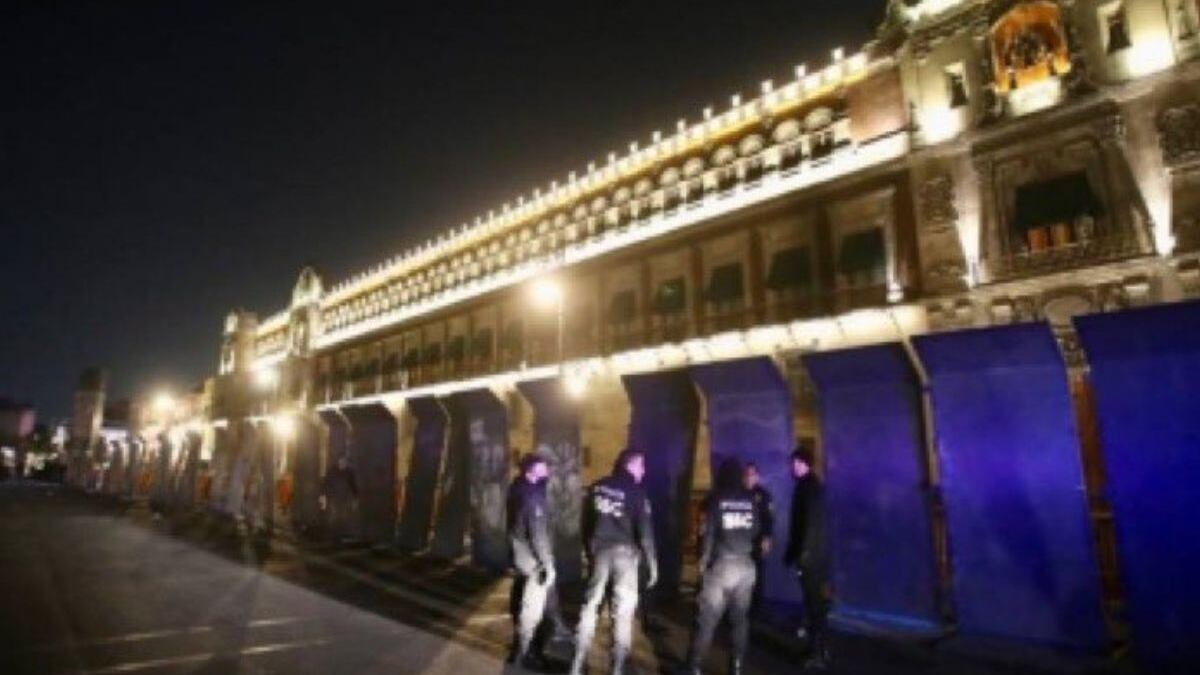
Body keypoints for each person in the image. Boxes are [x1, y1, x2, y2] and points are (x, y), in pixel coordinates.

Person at [570, 449, 658, 675]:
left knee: (590, 607)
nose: (644, 471)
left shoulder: (597, 487)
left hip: (599, 553)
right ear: (631, 465)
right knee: (623, 612)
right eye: (642, 466)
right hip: (625, 557)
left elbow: (584, 523)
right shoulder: (637, 493)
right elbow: (645, 533)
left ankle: (577, 663)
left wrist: (589, 550)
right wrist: (653, 564)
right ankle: (617, 668)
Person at [685, 458, 761, 675]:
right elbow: (756, 531)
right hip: (745, 566)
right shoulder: (751, 499)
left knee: (707, 619)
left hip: (721, 565)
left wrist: (703, 562)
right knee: (739, 621)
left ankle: (694, 667)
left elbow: (707, 534)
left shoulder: (716, 499)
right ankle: (736, 668)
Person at [508, 454, 557, 669]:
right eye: (542, 467)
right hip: (532, 561)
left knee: (521, 601)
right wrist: (547, 563)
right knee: (532, 609)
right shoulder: (532, 496)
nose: (547, 470)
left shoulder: (516, 488)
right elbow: (538, 535)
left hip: (519, 555)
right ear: (531, 471)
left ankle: (523, 648)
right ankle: (524, 654)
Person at [784, 442, 830, 671]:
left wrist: (802, 555)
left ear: (803, 464)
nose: (791, 468)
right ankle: (816, 648)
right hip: (813, 557)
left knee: (814, 606)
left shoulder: (808, 487)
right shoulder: (810, 486)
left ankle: (818, 653)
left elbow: (809, 525)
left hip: (811, 560)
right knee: (813, 605)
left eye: (794, 463)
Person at [742, 462, 774, 613]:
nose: (749, 478)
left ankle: (756, 608)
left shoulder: (763, 495)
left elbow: (768, 519)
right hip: (740, 542)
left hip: (757, 541)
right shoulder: (737, 493)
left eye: (752, 475)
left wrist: (767, 539)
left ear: (757, 477)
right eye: (746, 475)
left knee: (756, 575)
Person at [319, 454, 358, 542]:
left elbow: (353, 486)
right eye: (342, 462)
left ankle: (340, 535)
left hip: (343, 498)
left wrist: (355, 498)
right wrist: (323, 495)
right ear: (338, 462)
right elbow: (326, 483)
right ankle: (333, 535)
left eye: (345, 462)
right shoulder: (333, 471)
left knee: (342, 516)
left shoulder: (349, 473)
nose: (343, 464)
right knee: (334, 516)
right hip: (334, 497)